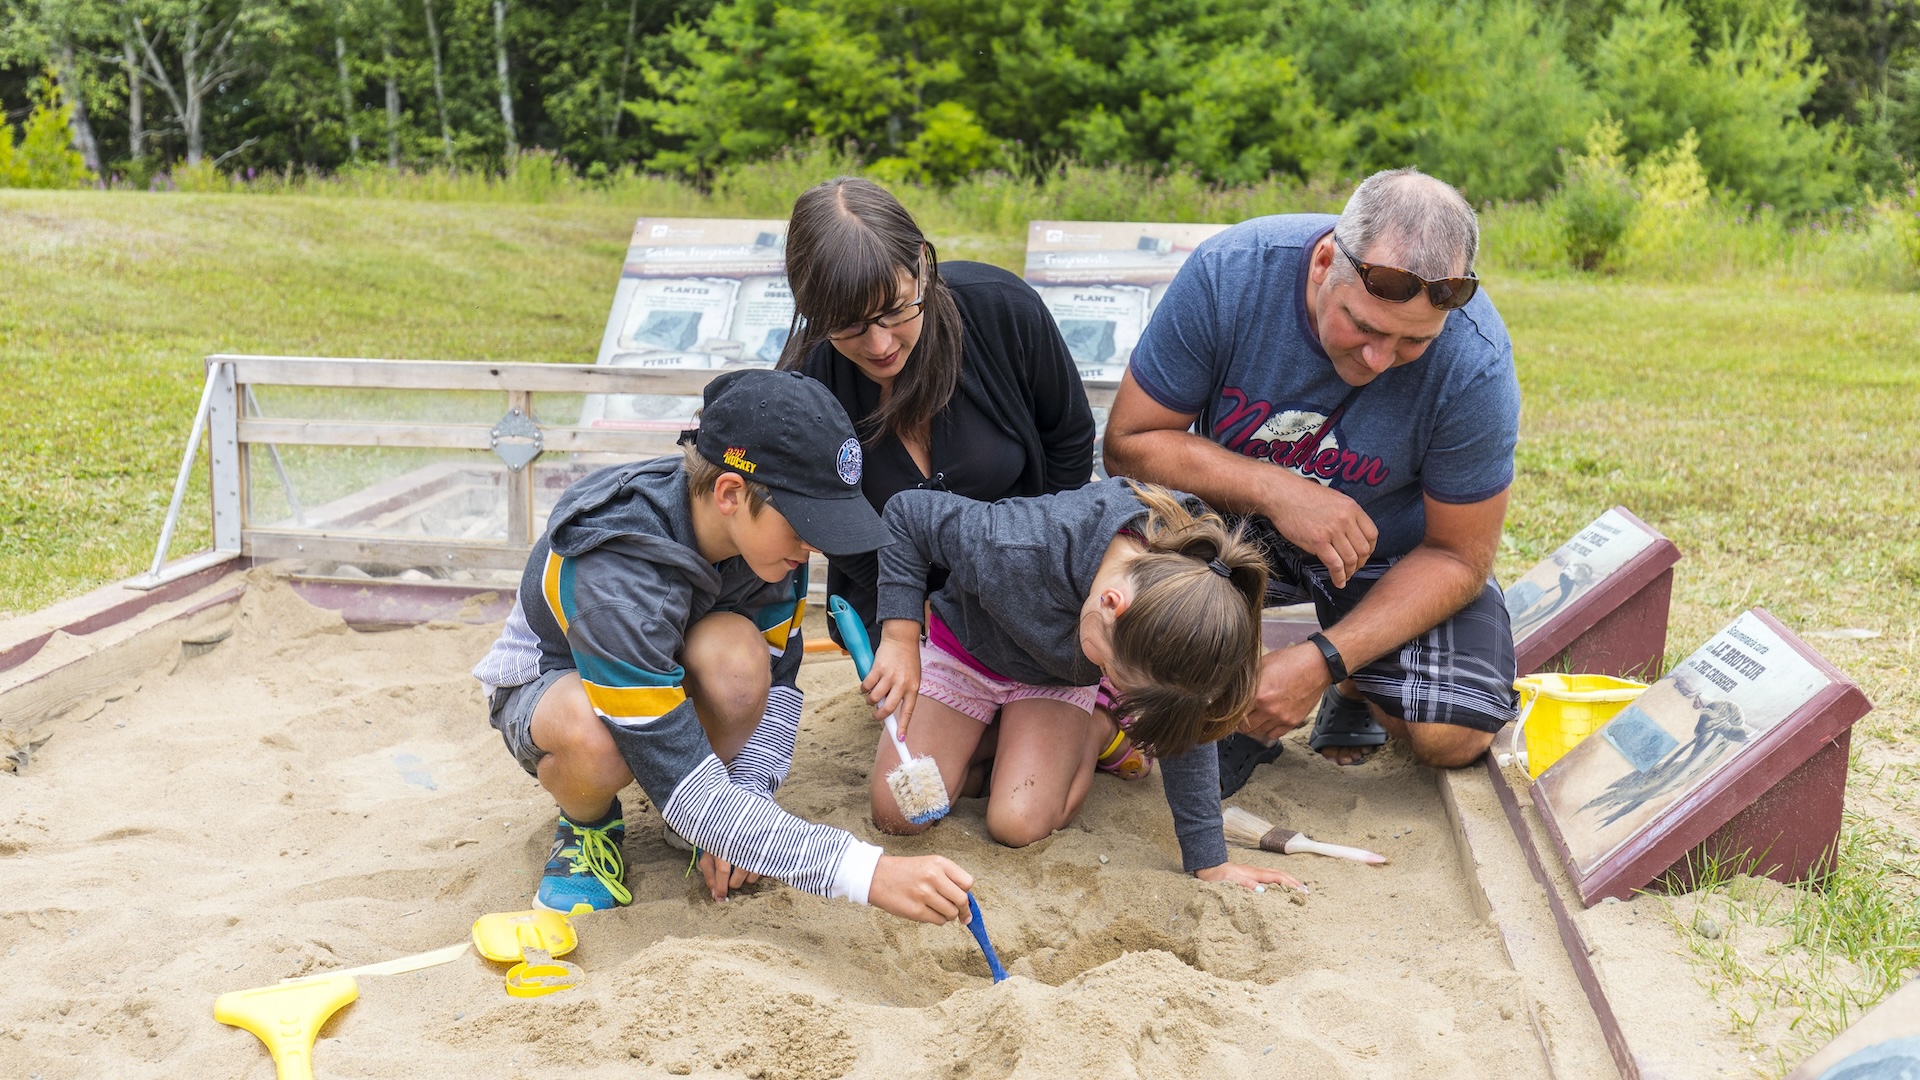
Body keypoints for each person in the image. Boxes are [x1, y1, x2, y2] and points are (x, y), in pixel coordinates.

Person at [470, 368, 975, 923]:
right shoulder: (618, 568)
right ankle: (589, 826)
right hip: (553, 683)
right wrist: (869, 873)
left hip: (667, 663)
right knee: (597, 738)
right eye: (805, 524)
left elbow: (778, 689)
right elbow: (668, 759)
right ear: (730, 493)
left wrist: (747, 800)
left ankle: (711, 811)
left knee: (738, 658)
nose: (813, 547)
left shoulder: (770, 546)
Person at [1102, 168, 1522, 795]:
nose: (1379, 359)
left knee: (1450, 733)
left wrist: (1322, 662)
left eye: (1413, 342)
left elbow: (1460, 555)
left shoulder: (1475, 362)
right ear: (1325, 261)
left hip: (1382, 552)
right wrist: (1278, 489)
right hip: (1228, 530)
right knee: (1107, 622)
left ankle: (1353, 686)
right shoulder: (1231, 273)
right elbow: (1128, 445)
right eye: (1366, 327)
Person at [772, 181, 1144, 771]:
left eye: (895, 308)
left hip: (1032, 580)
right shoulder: (805, 385)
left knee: (1017, 792)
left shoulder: (1002, 310)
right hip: (895, 600)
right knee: (930, 774)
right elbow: (829, 522)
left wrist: (1045, 570)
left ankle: (1092, 721)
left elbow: (1069, 441)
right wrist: (903, 618)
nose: (879, 342)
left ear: (922, 262)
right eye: (846, 325)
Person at [856, 476, 1304, 894]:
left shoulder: (1190, 597)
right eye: (1110, 671)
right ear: (1112, 604)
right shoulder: (1016, 543)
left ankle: (1097, 729)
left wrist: (1210, 860)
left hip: (1056, 679)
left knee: (1018, 824)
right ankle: (1009, 736)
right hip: (970, 652)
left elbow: (1183, 716)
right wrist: (899, 637)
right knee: (901, 815)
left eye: (1118, 683)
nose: (1110, 676)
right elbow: (907, 512)